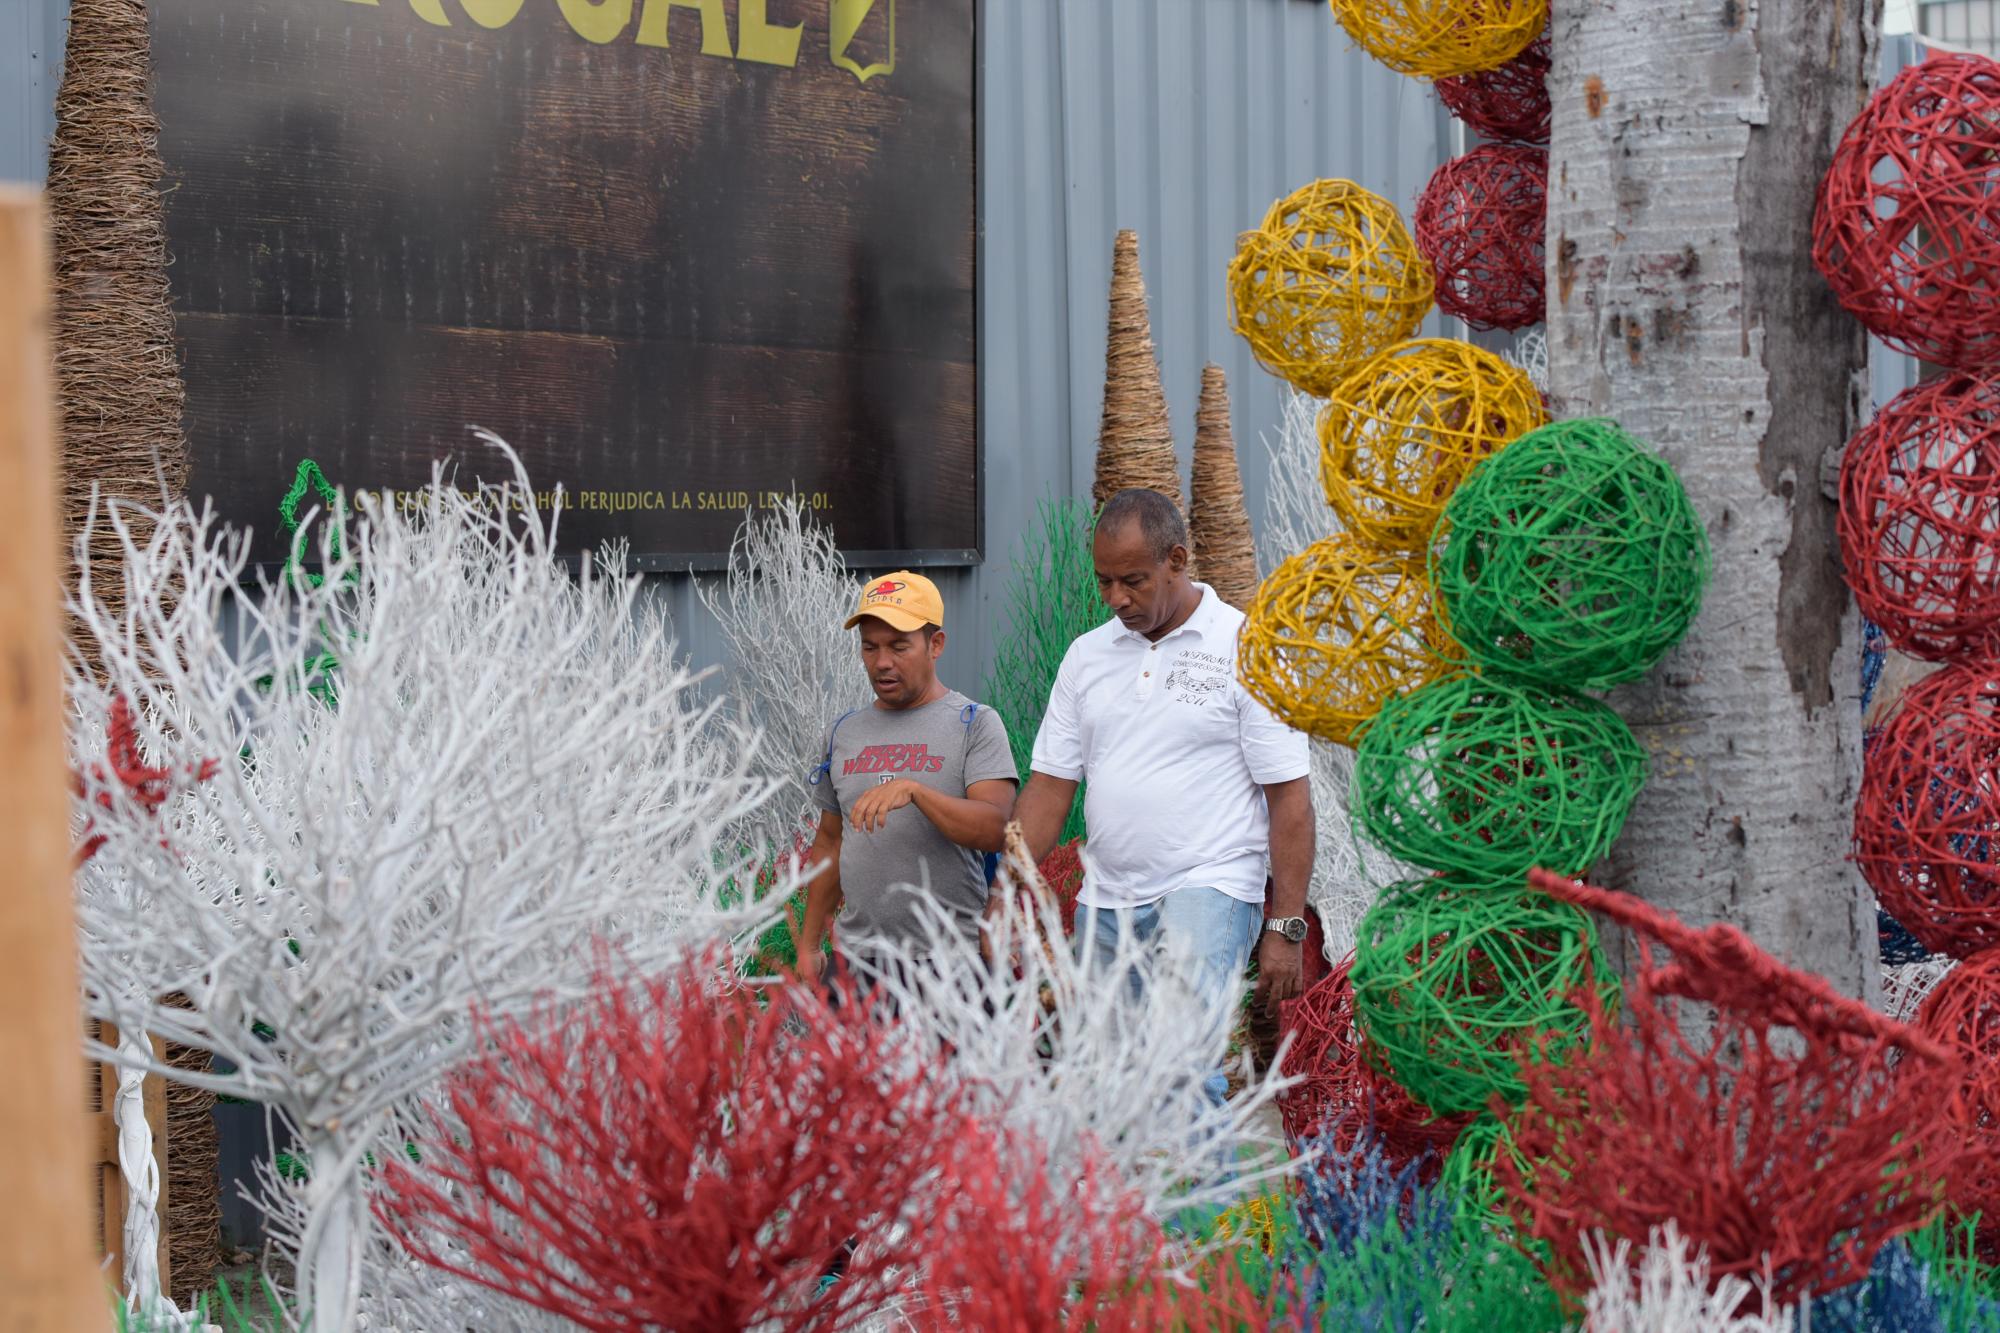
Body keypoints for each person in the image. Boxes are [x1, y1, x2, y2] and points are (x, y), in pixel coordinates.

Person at [1005, 488, 1315, 1106]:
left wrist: (1284, 926)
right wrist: (1008, 886)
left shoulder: (1247, 648)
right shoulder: (1086, 656)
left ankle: (1204, 1206)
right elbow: (1048, 787)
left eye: (1133, 581)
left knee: (1180, 1068)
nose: (1116, 598)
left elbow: (1290, 799)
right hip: (1109, 896)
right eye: (1104, 582)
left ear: (1178, 559)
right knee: (1106, 1078)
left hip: (1210, 882)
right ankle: (1133, 1205)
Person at [794, 570, 1018, 992]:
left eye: (899, 646)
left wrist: (915, 791)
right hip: (857, 963)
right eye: (870, 647)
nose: (882, 662)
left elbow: (995, 829)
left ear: (936, 645)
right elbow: (829, 842)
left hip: (950, 964)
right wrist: (809, 944)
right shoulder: (843, 732)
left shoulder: (975, 724)